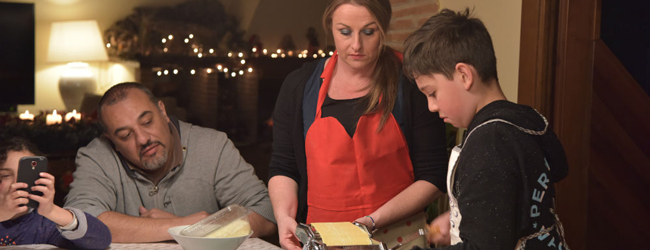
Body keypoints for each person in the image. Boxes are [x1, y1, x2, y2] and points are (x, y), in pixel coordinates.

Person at [268, 0, 448, 249]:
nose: (356, 45)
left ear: (383, 29)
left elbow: (433, 175)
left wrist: (370, 222)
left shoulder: (410, 83)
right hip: (323, 240)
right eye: (345, 32)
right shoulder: (298, 86)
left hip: (399, 239)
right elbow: (284, 166)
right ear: (330, 27)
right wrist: (284, 218)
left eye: (368, 32)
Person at [403, 8, 570, 249]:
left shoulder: (488, 142)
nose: (431, 106)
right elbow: (521, 192)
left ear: (464, 75)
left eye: (432, 93)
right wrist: (464, 215)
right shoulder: (523, 120)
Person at [64, 82, 277, 243]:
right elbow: (78, 221)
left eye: (147, 122)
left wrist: (197, 228)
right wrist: (185, 226)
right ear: (112, 141)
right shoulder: (96, 156)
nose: (143, 139)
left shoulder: (213, 144)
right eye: (126, 135)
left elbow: (266, 212)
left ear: (163, 111)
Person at [0, 137, 111, 249]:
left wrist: (52, 211)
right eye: (5, 176)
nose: (16, 184)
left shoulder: (43, 225)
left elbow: (101, 240)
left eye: (26, 176)